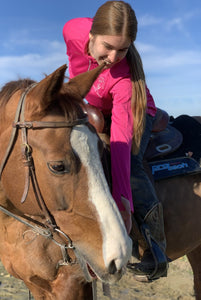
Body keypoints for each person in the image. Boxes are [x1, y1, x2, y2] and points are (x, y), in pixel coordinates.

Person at [63, 1, 168, 281]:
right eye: (107, 47)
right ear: (92, 35)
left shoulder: (123, 78)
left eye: (123, 49)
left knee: (130, 162)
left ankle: (153, 246)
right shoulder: (72, 29)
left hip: (134, 110)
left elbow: (121, 141)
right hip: (97, 110)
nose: (113, 56)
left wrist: (124, 203)